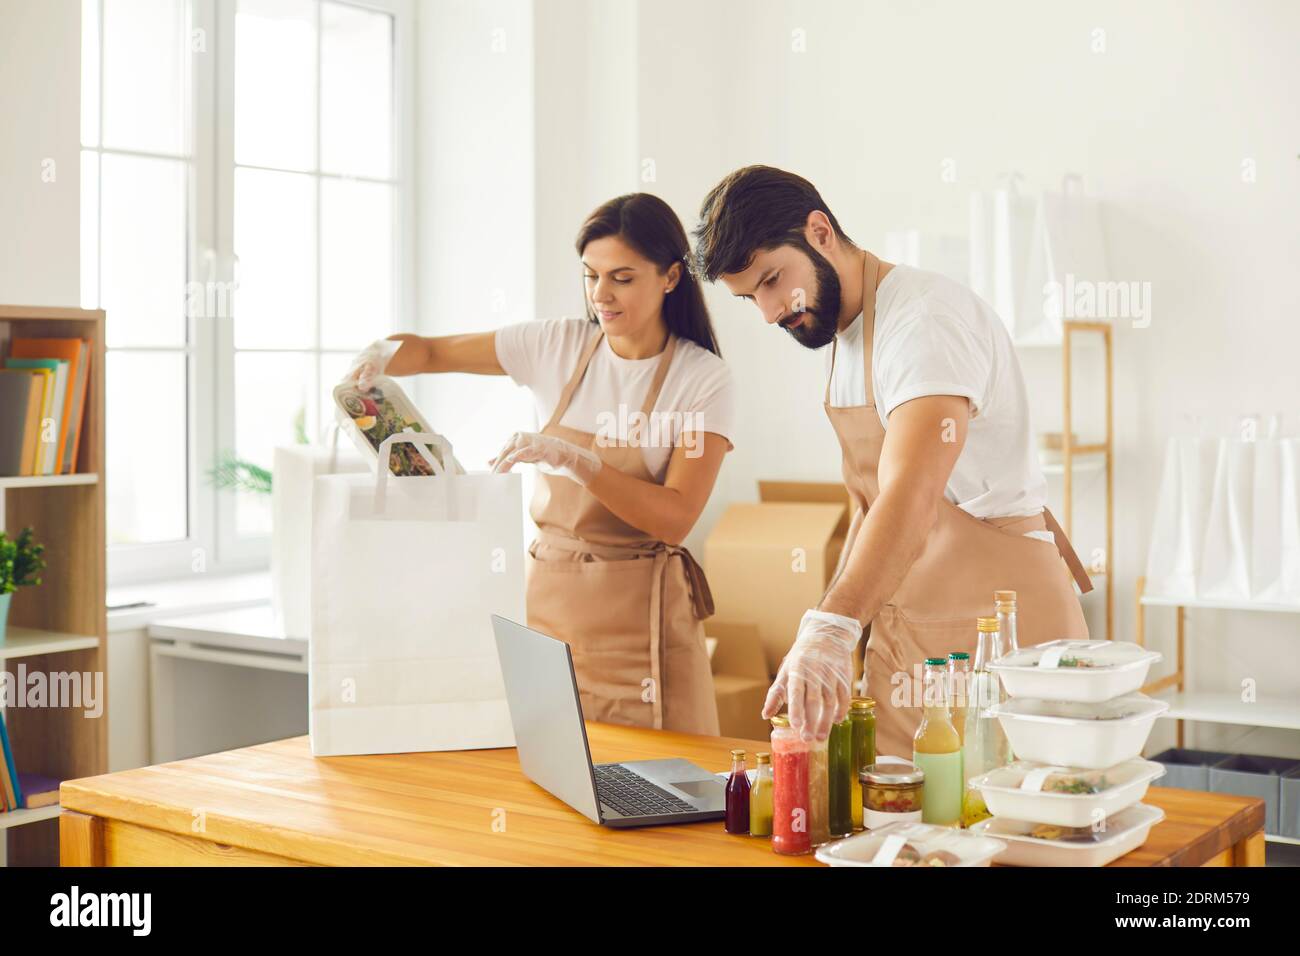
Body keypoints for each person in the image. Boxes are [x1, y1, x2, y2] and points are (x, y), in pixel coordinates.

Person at [693, 165, 1092, 756]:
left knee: (1005, 828)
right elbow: (872, 507)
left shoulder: (923, 322)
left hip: (998, 629)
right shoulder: (849, 335)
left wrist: (835, 624)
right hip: (912, 626)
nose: (771, 311)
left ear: (820, 231)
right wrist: (826, 628)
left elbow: (911, 494)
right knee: (900, 832)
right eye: (751, 296)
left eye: (774, 280)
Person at [346, 193, 734, 734]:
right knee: (553, 780)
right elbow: (434, 352)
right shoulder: (555, 345)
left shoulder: (701, 379)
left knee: (664, 791)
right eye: (589, 275)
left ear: (670, 277)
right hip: (551, 613)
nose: (601, 294)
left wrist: (579, 463)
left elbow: (676, 517)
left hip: (645, 629)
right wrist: (379, 356)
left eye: (622, 277)